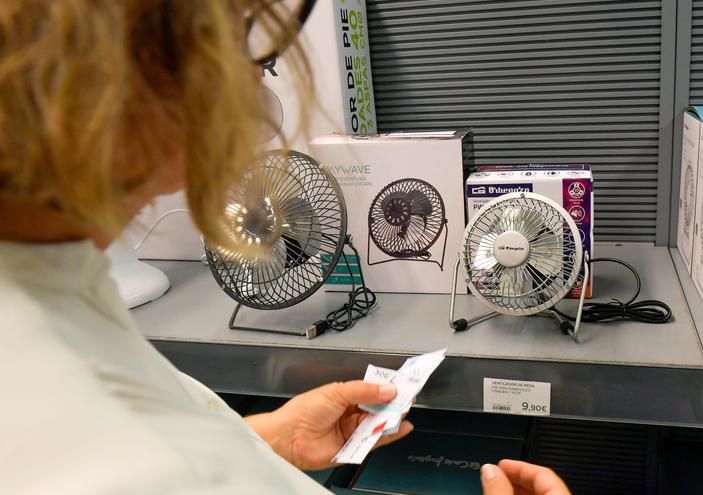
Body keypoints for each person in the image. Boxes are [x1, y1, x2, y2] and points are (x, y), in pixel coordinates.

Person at [0, 1, 571, 494]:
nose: (254, 87)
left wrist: (271, 441)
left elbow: (154, 439)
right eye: (237, 39)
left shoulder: (55, 277)